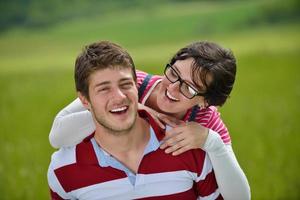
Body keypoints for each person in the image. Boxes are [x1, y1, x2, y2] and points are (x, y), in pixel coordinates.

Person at [49, 41, 251, 199]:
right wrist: (131, 107)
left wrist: (211, 142)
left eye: (189, 88)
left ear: (206, 101)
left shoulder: (206, 121)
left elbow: (240, 197)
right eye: (173, 73)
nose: (172, 87)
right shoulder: (131, 85)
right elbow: (57, 136)